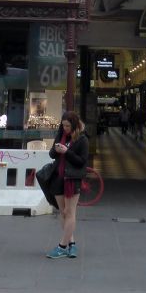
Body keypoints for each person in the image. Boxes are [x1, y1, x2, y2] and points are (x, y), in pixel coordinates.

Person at [45, 110, 89, 260]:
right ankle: (72, 244)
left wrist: (67, 152)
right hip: (58, 177)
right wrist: (57, 150)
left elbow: (82, 161)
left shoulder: (82, 139)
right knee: (63, 212)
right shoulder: (61, 134)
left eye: (68, 126)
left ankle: (62, 246)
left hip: (72, 178)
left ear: (75, 125)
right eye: (63, 125)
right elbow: (51, 154)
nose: (65, 129)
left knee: (70, 212)